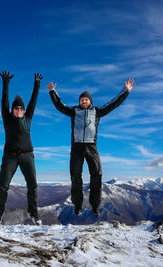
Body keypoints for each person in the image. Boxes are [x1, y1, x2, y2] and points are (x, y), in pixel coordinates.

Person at [47, 78, 135, 217]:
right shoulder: (74, 111)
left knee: (97, 175)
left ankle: (95, 206)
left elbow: (114, 104)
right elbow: (60, 106)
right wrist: (52, 92)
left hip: (91, 146)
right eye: (81, 99)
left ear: (90, 101)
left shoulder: (97, 111)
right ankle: (78, 206)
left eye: (86, 99)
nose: (83, 101)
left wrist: (126, 91)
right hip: (76, 147)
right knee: (76, 177)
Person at [0, 71, 43, 225]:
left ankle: (33, 213)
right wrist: (6, 83)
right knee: (3, 186)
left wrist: (37, 84)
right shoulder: (7, 118)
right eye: (17, 108)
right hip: (10, 155)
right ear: (13, 110)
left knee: (32, 185)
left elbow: (33, 101)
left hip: (27, 155)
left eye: (21, 109)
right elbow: (4, 102)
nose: (19, 111)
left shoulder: (27, 118)